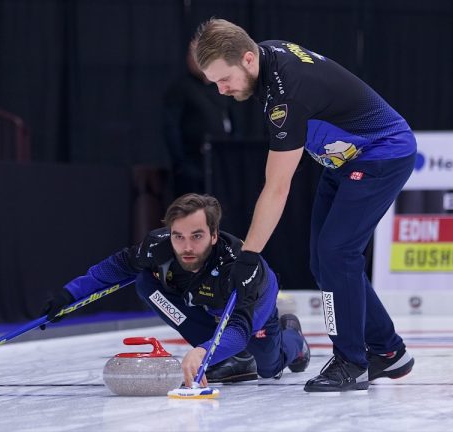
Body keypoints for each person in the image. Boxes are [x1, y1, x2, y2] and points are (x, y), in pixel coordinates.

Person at [193, 19, 415, 392]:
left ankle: (352, 362)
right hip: (344, 159)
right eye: (214, 82)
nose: (221, 90)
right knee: (324, 259)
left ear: (247, 59)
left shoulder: (286, 96)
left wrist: (248, 258)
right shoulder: (266, 53)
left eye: (223, 79)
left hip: (382, 153)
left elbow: (277, 188)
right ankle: (389, 352)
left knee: (336, 253)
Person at [39, 193, 310, 385]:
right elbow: (115, 268)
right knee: (145, 281)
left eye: (197, 236)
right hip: (204, 301)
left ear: (214, 235)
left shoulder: (237, 266)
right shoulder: (158, 246)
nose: (187, 247)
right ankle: (226, 357)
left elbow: (239, 329)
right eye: (178, 236)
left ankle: (293, 339)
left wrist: (203, 351)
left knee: (269, 366)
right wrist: (69, 296)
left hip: (255, 301)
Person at [163, 41, 237, 197]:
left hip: (220, 163)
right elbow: (171, 127)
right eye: (192, 54)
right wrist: (181, 162)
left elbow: (231, 121)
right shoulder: (181, 88)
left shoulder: (220, 87)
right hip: (193, 165)